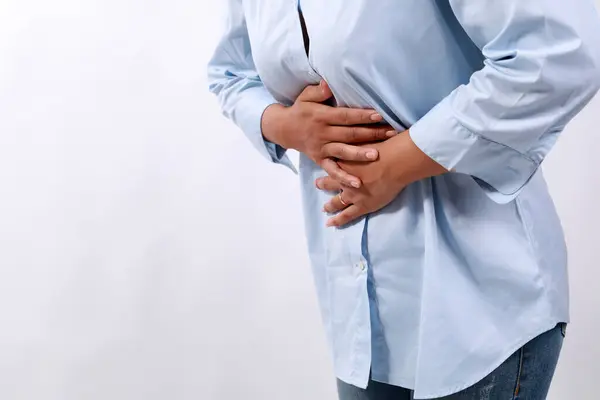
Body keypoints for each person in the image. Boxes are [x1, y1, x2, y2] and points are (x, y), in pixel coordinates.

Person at [207, 0, 600, 398]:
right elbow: (230, 74)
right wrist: (285, 125)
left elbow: (558, 55)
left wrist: (396, 165)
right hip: (360, 321)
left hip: (480, 311)